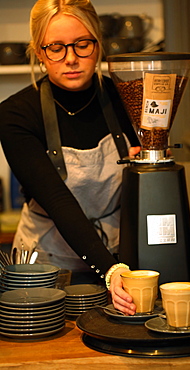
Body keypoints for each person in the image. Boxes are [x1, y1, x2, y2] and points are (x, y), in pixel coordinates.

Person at [0, 0, 141, 315]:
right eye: (56, 48)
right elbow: (57, 199)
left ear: (98, 43)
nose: (71, 59)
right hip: (45, 267)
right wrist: (110, 270)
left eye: (82, 45)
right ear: (39, 52)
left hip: (119, 258)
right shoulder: (15, 115)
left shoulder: (126, 99)